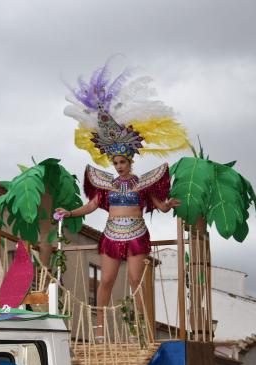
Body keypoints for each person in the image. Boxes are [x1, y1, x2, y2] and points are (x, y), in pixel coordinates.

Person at [57, 61, 188, 339]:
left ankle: (140, 328)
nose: (118, 165)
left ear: (129, 159)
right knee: (105, 280)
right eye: (115, 162)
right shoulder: (105, 183)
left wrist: (169, 205)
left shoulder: (143, 183)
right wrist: (69, 213)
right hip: (112, 234)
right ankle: (101, 327)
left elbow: (160, 205)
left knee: (136, 281)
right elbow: (92, 206)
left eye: (122, 161)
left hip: (137, 233)